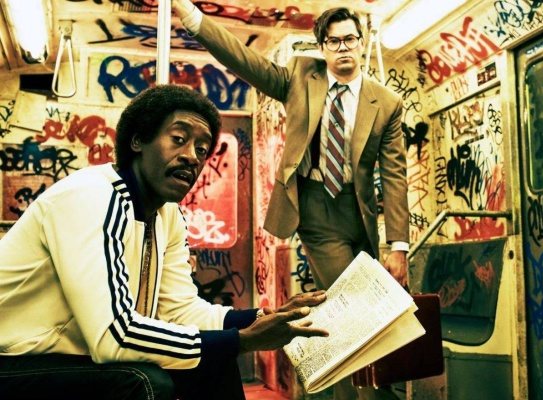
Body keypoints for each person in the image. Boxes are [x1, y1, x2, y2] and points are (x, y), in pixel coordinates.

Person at [0, 85, 328, 400]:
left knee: (214, 359)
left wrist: (261, 317)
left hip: (66, 356)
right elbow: (114, 336)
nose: (192, 157)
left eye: (202, 150)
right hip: (13, 358)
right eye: (178, 139)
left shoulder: (167, 215)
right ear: (138, 140)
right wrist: (241, 340)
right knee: (145, 383)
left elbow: (179, 310)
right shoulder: (90, 196)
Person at [171, 1, 409, 399]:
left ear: (362, 42)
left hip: (361, 215)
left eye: (350, 39)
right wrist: (195, 20)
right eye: (334, 41)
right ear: (323, 47)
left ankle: (360, 391)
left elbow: (395, 173)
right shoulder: (300, 78)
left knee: (368, 313)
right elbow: (245, 60)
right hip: (317, 210)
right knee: (351, 310)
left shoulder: (386, 103)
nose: (343, 48)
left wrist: (398, 245)